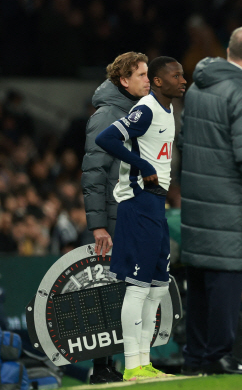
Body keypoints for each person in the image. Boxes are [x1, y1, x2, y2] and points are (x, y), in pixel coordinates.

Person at [179, 26, 242, 376]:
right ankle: (220, 355)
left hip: (196, 197)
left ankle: (196, 358)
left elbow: (183, 141)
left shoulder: (196, 87)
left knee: (201, 279)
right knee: (226, 275)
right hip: (227, 199)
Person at [95, 57, 187, 381]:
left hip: (156, 205)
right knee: (137, 287)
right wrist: (143, 166)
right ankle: (132, 365)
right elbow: (105, 139)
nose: (182, 79)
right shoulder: (146, 108)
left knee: (159, 287)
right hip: (137, 202)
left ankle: (145, 361)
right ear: (160, 82)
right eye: (175, 75)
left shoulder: (169, 109)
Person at [81, 51, 150, 384]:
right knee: (106, 293)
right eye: (141, 75)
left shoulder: (134, 113)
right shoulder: (107, 115)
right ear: (124, 80)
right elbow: (93, 173)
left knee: (125, 292)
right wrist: (97, 226)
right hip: (110, 221)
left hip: (128, 214)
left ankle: (117, 364)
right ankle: (100, 367)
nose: (148, 81)